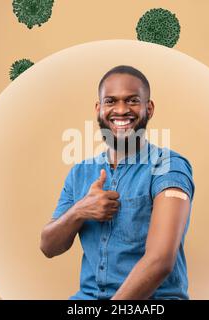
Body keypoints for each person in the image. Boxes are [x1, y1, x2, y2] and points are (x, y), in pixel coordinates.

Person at [40, 65, 195, 300]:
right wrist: (79, 211)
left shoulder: (168, 166)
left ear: (149, 108)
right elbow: (49, 247)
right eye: (111, 101)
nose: (121, 110)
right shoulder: (80, 172)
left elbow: (160, 261)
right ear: (99, 108)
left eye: (132, 101)